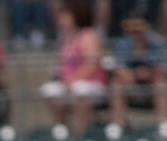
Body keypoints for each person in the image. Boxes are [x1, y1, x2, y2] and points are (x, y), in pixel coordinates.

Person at [40, 2, 117, 133]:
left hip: (92, 83)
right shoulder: (66, 38)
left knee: (80, 89)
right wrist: (66, 81)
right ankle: (65, 129)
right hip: (70, 83)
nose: (61, 21)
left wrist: (72, 80)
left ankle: (82, 130)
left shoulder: (89, 35)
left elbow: (91, 65)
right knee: (49, 91)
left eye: (65, 17)